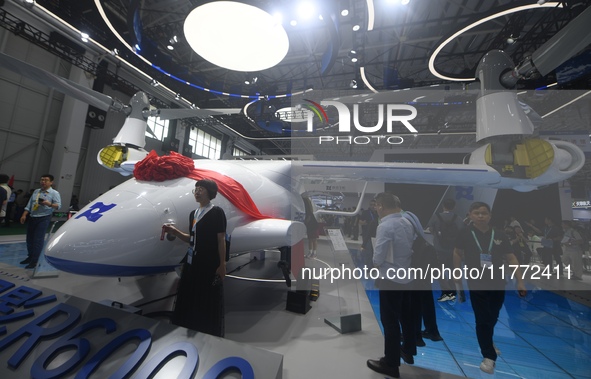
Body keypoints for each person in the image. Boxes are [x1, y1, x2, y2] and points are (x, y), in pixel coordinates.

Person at [453, 202, 526, 374]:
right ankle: (488, 356)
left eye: (484, 213)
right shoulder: (464, 233)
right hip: (476, 281)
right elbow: (457, 252)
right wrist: (456, 272)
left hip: (498, 281)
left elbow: (511, 257)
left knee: (493, 315)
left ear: (490, 215)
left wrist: (520, 280)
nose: (480, 216)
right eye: (477, 213)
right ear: (470, 215)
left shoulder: (499, 234)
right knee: (482, 318)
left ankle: (488, 339)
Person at [163, 179, 227, 337]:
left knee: (206, 294)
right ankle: (190, 323)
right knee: (192, 293)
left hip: (209, 261)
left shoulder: (217, 212)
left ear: (210, 192)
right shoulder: (194, 214)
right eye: (196, 189)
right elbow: (192, 239)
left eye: (201, 189)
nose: (197, 192)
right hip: (193, 261)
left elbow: (221, 240)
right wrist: (175, 232)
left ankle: (204, 327)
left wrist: (222, 264)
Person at [367, 193, 416, 379]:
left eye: (377, 206)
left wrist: (374, 263)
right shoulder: (407, 221)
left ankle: (391, 363)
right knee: (404, 317)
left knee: (390, 321)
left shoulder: (386, 225)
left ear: (380, 206)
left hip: (390, 277)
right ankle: (406, 351)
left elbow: (378, 256)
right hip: (406, 276)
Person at [19, 175, 61, 269]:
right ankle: (30, 257)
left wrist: (48, 204)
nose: (43, 182)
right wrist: (24, 214)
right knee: (29, 239)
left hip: (44, 218)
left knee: (38, 240)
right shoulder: (36, 191)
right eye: (42, 179)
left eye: (46, 180)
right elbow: (30, 204)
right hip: (33, 217)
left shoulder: (54, 193)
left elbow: (58, 206)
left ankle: (34, 261)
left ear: (51, 182)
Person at [427, 198, 463, 302]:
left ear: (443, 206)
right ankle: (451, 288)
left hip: (439, 247)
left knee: (439, 269)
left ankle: (446, 289)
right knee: (453, 268)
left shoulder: (436, 216)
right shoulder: (457, 218)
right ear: (454, 207)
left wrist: (436, 236)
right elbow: (462, 230)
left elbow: (430, 228)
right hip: (453, 248)